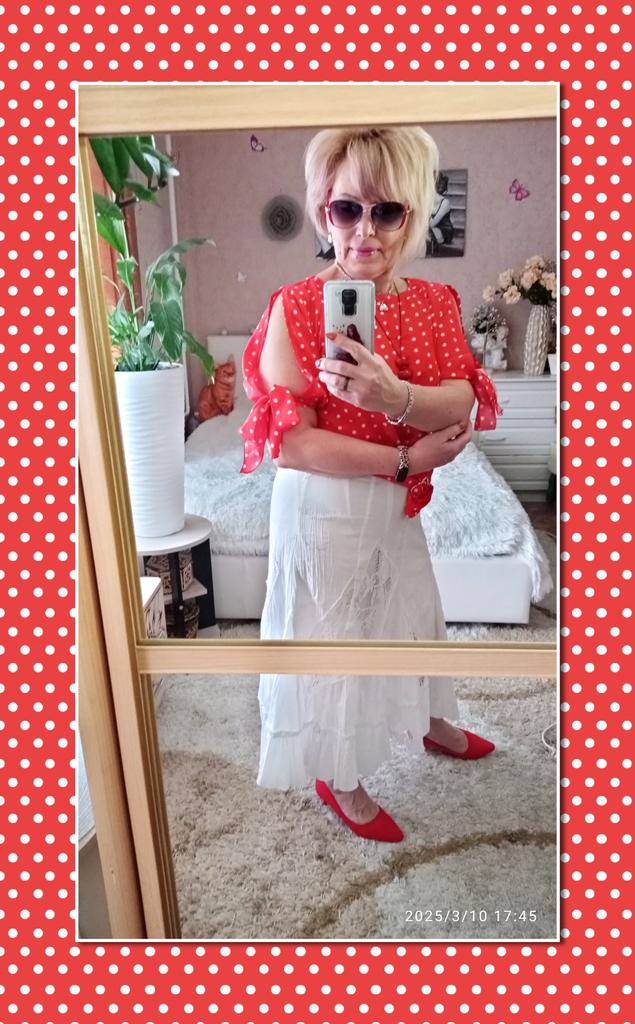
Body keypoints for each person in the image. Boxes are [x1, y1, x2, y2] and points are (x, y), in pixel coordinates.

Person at [239, 126, 501, 843]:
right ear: (323, 211)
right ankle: (339, 775)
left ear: (411, 215)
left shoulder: (435, 301)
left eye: (386, 211)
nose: (364, 230)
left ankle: (431, 719)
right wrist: (404, 460)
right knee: (337, 637)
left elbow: (463, 397)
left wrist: (394, 400)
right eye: (346, 208)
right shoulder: (293, 306)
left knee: (414, 609)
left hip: (396, 503)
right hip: (325, 504)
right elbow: (292, 444)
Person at [426, 172, 454, 255]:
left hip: (444, 231)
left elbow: (432, 223)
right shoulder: (428, 200)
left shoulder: (445, 202)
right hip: (432, 229)